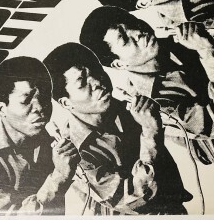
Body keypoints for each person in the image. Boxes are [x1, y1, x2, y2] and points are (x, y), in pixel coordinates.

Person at [80, 6, 214, 164]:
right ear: (119, 64)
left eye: (134, 23)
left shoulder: (174, 43)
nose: (138, 32)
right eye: (124, 39)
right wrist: (208, 50)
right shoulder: (152, 103)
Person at [43, 42, 191, 215]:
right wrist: (151, 132)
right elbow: (133, 200)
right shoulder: (75, 153)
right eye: (82, 82)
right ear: (66, 103)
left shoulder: (128, 109)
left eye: (97, 71)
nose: (97, 82)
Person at [0, 57, 79, 214]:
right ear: (2, 109)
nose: (39, 107)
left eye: (44, 98)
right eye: (26, 100)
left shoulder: (54, 144)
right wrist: (59, 176)